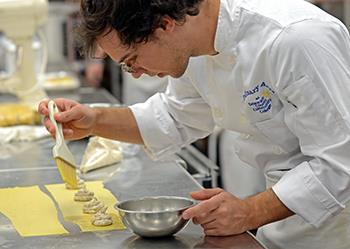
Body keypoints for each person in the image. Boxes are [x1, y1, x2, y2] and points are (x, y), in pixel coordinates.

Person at [38, 0, 350, 248]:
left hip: (338, 228)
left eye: (132, 60)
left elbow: (340, 164)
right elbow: (172, 117)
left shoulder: (296, 39)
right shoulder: (197, 45)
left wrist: (250, 211)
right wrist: (93, 120)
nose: (135, 74)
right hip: (284, 224)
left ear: (164, 25)